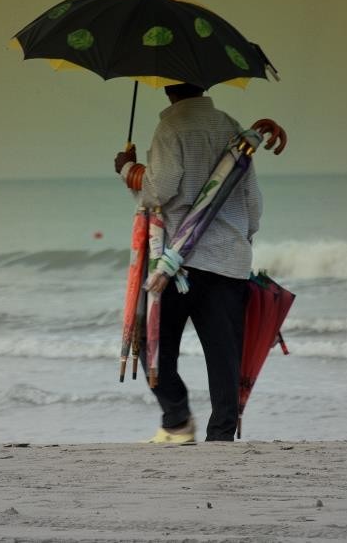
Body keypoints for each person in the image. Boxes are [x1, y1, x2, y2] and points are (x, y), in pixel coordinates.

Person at [114, 82, 285, 443]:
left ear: (167, 89)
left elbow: (159, 190)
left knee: (151, 345)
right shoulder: (232, 127)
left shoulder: (171, 129)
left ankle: (177, 418)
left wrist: (128, 169)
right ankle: (221, 437)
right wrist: (242, 235)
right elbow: (252, 201)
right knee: (224, 357)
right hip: (227, 261)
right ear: (205, 83)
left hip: (175, 267)